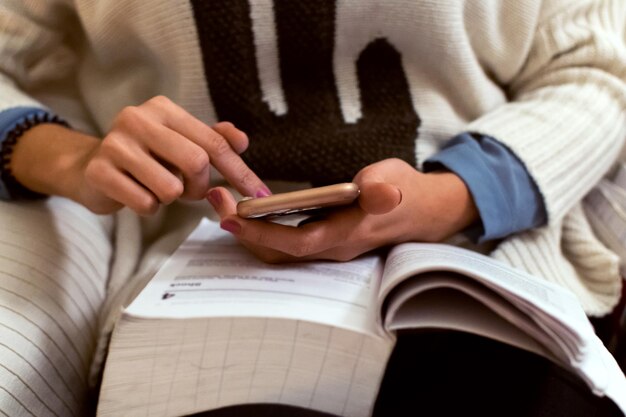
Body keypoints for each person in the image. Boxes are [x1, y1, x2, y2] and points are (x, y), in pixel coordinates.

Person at [0, 0, 625, 416]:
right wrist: (69, 159)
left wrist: (451, 196)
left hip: (478, 253)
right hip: (187, 270)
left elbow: (599, 66)